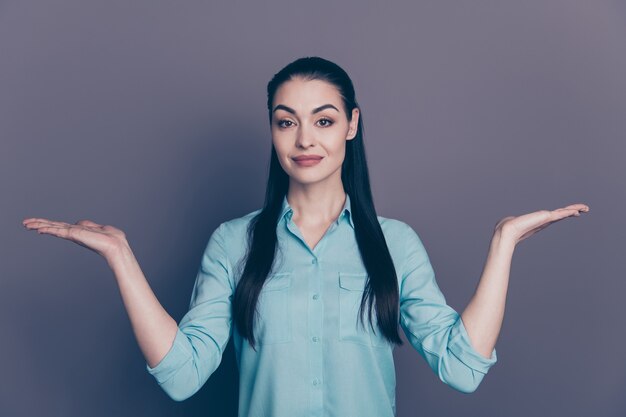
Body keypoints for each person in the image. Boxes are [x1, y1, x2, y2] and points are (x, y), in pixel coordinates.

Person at [22, 56, 590, 417]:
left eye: (322, 119)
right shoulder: (233, 242)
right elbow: (182, 376)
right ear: (272, 129)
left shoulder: (395, 243)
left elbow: (462, 368)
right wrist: (121, 256)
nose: (303, 138)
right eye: (285, 120)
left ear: (352, 124)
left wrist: (503, 244)